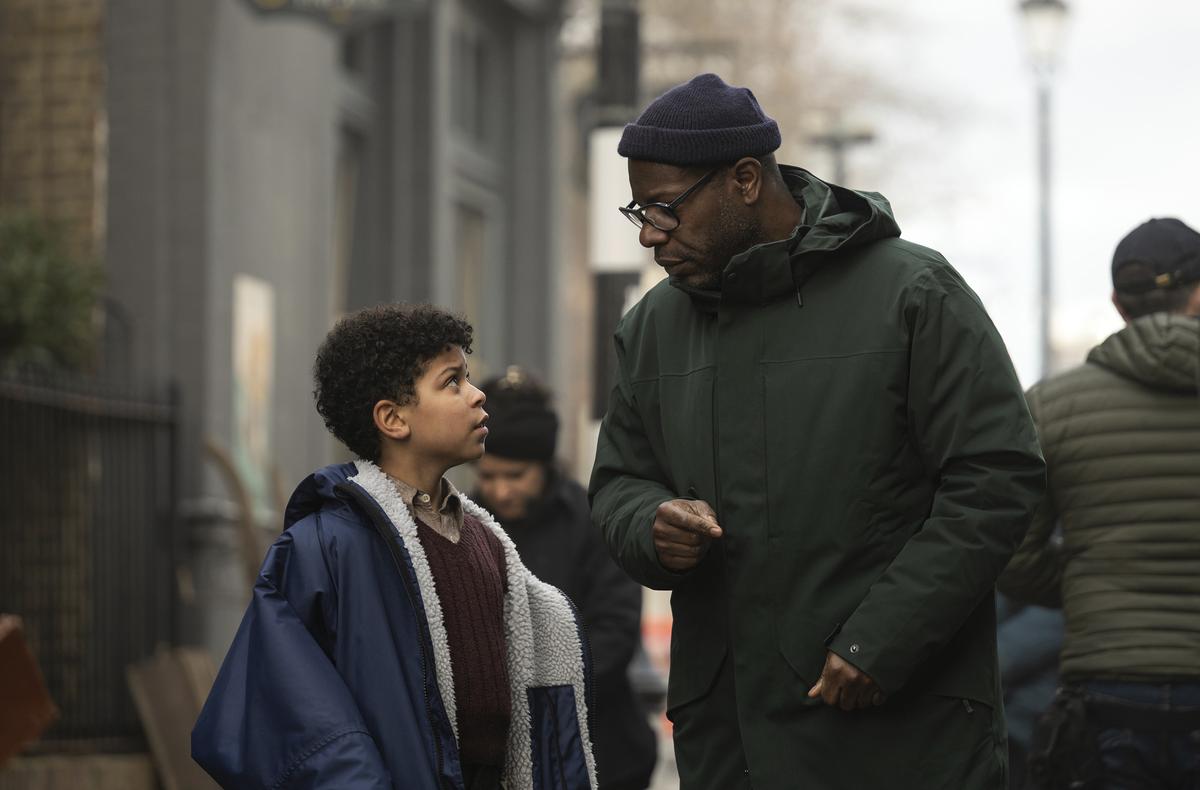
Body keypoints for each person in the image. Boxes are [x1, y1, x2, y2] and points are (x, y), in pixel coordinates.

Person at [588, 73, 1046, 789]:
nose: (650, 234)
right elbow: (619, 480)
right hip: (729, 742)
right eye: (638, 211)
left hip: (900, 735)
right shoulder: (652, 328)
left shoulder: (914, 293)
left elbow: (997, 479)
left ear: (744, 180)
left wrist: (882, 641)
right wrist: (650, 523)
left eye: (665, 209)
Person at [192, 305, 596, 790]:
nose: (477, 394)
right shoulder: (325, 546)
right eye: (452, 382)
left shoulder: (485, 540)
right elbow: (287, 707)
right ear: (392, 418)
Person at [1000, 217, 1200, 789]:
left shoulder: (1053, 405)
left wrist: (1091, 587)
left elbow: (1012, 552)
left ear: (1117, 302)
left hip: (1106, 689)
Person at [473, 366, 658, 790]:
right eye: (488, 476)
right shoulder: (464, 524)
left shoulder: (591, 523)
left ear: (543, 465)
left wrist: (531, 693)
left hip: (601, 750)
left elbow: (613, 634)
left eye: (515, 476)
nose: (501, 491)